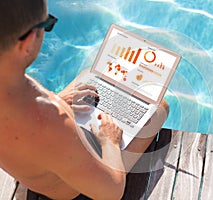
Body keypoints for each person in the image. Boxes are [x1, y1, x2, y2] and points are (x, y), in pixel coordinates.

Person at [0, 0, 169, 199]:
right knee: (159, 108)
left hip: (34, 162)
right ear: (28, 42)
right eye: (47, 24)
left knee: (89, 75)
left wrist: (59, 99)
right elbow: (111, 192)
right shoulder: (52, 121)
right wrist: (109, 142)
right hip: (74, 191)